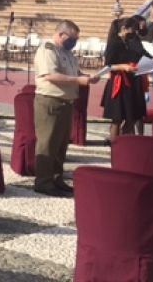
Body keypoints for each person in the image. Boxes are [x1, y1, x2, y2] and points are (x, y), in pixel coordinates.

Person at [32, 20, 99, 197]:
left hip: (66, 102)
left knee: (61, 144)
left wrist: (87, 77)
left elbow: (73, 74)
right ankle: (43, 182)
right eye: (72, 38)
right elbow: (51, 75)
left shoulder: (68, 53)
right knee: (47, 143)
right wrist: (78, 81)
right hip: (50, 101)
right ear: (62, 34)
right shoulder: (48, 49)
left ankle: (56, 178)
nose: (74, 42)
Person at [101, 17, 146, 143]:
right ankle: (115, 145)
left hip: (131, 82)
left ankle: (123, 140)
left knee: (132, 116)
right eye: (132, 29)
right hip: (118, 82)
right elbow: (108, 65)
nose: (134, 32)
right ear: (124, 29)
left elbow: (140, 54)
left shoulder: (129, 41)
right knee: (117, 118)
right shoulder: (114, 43)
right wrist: (123, 66)